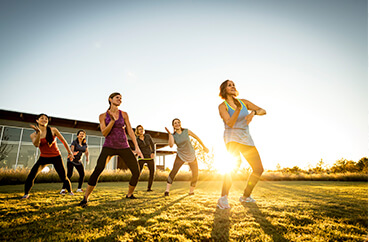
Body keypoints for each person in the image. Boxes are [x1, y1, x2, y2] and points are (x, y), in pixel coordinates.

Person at [79, 92, 143, 207]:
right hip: (109, 146)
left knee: (136, 171)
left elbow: (130, 131)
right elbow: (104, 133)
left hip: (124, 146)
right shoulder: (103, 116)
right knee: (98, 169)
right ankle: (85, 198)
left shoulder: (124, 114)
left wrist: (137, 147)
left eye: (121, 98)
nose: (120, 100)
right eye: (117, 98)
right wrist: (112, 121)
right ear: (110, 99)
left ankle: (129, 194)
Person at [217, 80, 266, 209]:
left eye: (233, 84)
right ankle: (223, 198)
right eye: (229, 85)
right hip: (231, 137)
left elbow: (263, 110)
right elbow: (230, 123)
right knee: (235, 164)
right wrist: (238, 109)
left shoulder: (244, 102)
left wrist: (253, 113)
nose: (233, 86)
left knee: (258, 169)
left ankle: (245, 196)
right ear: (224, 89)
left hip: (246, 138)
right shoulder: (223, 106)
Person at [22, 113, 74, 199]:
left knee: (63, 176)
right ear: (37, 121)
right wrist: (39, 133)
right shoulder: (33, 135)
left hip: (56, 156)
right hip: (43, 158)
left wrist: (69, 152)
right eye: (42, 118)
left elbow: (64, 141)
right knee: (31, 175)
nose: (44, 120)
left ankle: (70, 191)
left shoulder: (53, 130)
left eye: (46, 119)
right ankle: (26, 194)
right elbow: (36, 144)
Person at [164, 118, 209, 196]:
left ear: (180, 123)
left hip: (191, 154)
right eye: (175, 123)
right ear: (173, 126)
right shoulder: (173, 135)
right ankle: (167, 190)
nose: (177, 124)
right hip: (181, 155)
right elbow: (171, 145)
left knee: (195, 173)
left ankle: (191, 191)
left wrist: (204, 146)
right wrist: (169, 134)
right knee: (174, 171)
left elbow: (197, 137)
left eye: (178, 122)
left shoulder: (186, 131)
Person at [60, 130, 89, 194]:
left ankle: (79, 188)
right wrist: (72, 154)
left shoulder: (85, 144)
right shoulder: (74, 142)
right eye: (80, 134)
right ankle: (63, 189)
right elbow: (71, 149)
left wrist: (87, 158)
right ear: (77, 135)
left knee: (82, 174)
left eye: (83, 134)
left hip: (78, 161)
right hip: (71, 160)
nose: (82, 135)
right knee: (69, 175)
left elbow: (86, 151)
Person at [135, 125, 156, 192]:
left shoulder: (148, 136)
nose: (141, 130)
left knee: (152, 172)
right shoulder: (137, 139)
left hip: (149, 157)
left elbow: (152, 145)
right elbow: (137, 149)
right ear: (137, 131)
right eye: (139, 129)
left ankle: (149, 188)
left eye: (142, 129)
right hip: (141, 158)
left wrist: (153, 152)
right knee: (137, 173)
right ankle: (133, 187)